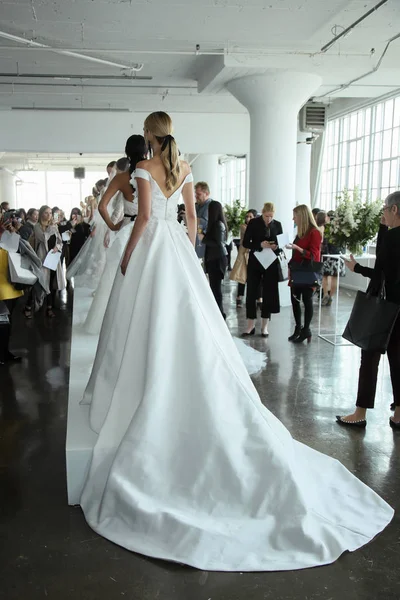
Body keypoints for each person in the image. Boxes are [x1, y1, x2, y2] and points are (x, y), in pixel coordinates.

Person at [78, 111, 393, 572]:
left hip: (150, 252)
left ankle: (138, 387)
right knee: (187, 323)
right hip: (177, 254)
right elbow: (191, 227)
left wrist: (127, 255)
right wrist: (185, 256)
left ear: (149, 134)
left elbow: (143, 218)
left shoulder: (143, 170)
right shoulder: (185, 169)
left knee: (140, 320)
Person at [337, 191, 400, 429]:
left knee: (369, 355)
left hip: (386, 306)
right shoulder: (392, 235)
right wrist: (384, 228)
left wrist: (357, 268)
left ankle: (360, 412)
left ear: (394, 210)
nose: (383, 213)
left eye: (385, 209)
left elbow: (381, 272)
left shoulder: (394, 238)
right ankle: (399, 415)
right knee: (397, 358)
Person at [83, 136, 147, 335]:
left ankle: (119, 324)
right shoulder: (150, 175)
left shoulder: (122, 178)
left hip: (127, 227)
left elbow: (102, 206)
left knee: (121, 276)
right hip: (149, 229)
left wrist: (113, 226)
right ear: (146, 152)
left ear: (127, 153)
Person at [242, 202, 282, 338]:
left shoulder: (278, 225)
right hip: (255, 260)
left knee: (269, 293)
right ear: (262, 213)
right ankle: (250, 324)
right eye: (266, 216)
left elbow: (281, 244)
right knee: (252, 291)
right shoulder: (253, 223)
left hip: (270, 262)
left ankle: (265, 326)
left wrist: (276, 247)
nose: (268, 219)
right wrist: (259, 244)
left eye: (271, 217)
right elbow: (246, 242)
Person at [286, 205, 322, 344]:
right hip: (297, 271)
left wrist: (297, 248)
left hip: (307, 272)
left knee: (307, 301)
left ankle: (306, 329)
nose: (293, 218)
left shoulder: (315, 233)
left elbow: (313, 255)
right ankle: (298, 328)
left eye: (295, 215)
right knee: (295, 301)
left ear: (302, 216)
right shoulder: (301, 233)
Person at [26, 205, 65, 318]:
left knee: (51, 283)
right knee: (40, 282)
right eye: (46, 213)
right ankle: (28, 306)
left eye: (50, 213)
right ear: (41, 214)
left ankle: (49, 308)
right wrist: (51, 228)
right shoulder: (37, 227)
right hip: (42, 258)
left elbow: (60, 240)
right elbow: (44, 238)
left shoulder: (53, 227)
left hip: (53, 257)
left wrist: (57, 247)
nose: (49, 215)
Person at [0, 214, 23, 365]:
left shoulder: (8, 233)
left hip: (10, 283)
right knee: (2, 322)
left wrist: (13, 233)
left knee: (7, 323)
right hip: (1, 286)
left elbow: (18, 249)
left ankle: (4, 352)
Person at [199, 200, 228, 318]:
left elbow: (218, 243)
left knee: (216, 289)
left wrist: (203, 238)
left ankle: (220, 313)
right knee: (214, 288)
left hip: (217, 259)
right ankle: (218, 312)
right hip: (215, 258)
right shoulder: (218, 224)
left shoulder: (218, 224)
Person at [230, 209, 258, 307]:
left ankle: (258, 298)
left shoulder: (255, 227)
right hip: (244, 254)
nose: (248, 218)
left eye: (250, 216)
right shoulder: (244, 227)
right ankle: (239, 297)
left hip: (253, 254)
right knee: (242, 277)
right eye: (247, 216)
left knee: (254, 277)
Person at [194, 181, 212, 259]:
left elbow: (204, 222)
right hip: (197, 237)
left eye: (199, 194)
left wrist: (190, 218)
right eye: (196, 194)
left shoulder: (210, 206)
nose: (196, 197)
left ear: (206, 194)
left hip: (205, 239)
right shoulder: (198, 205)